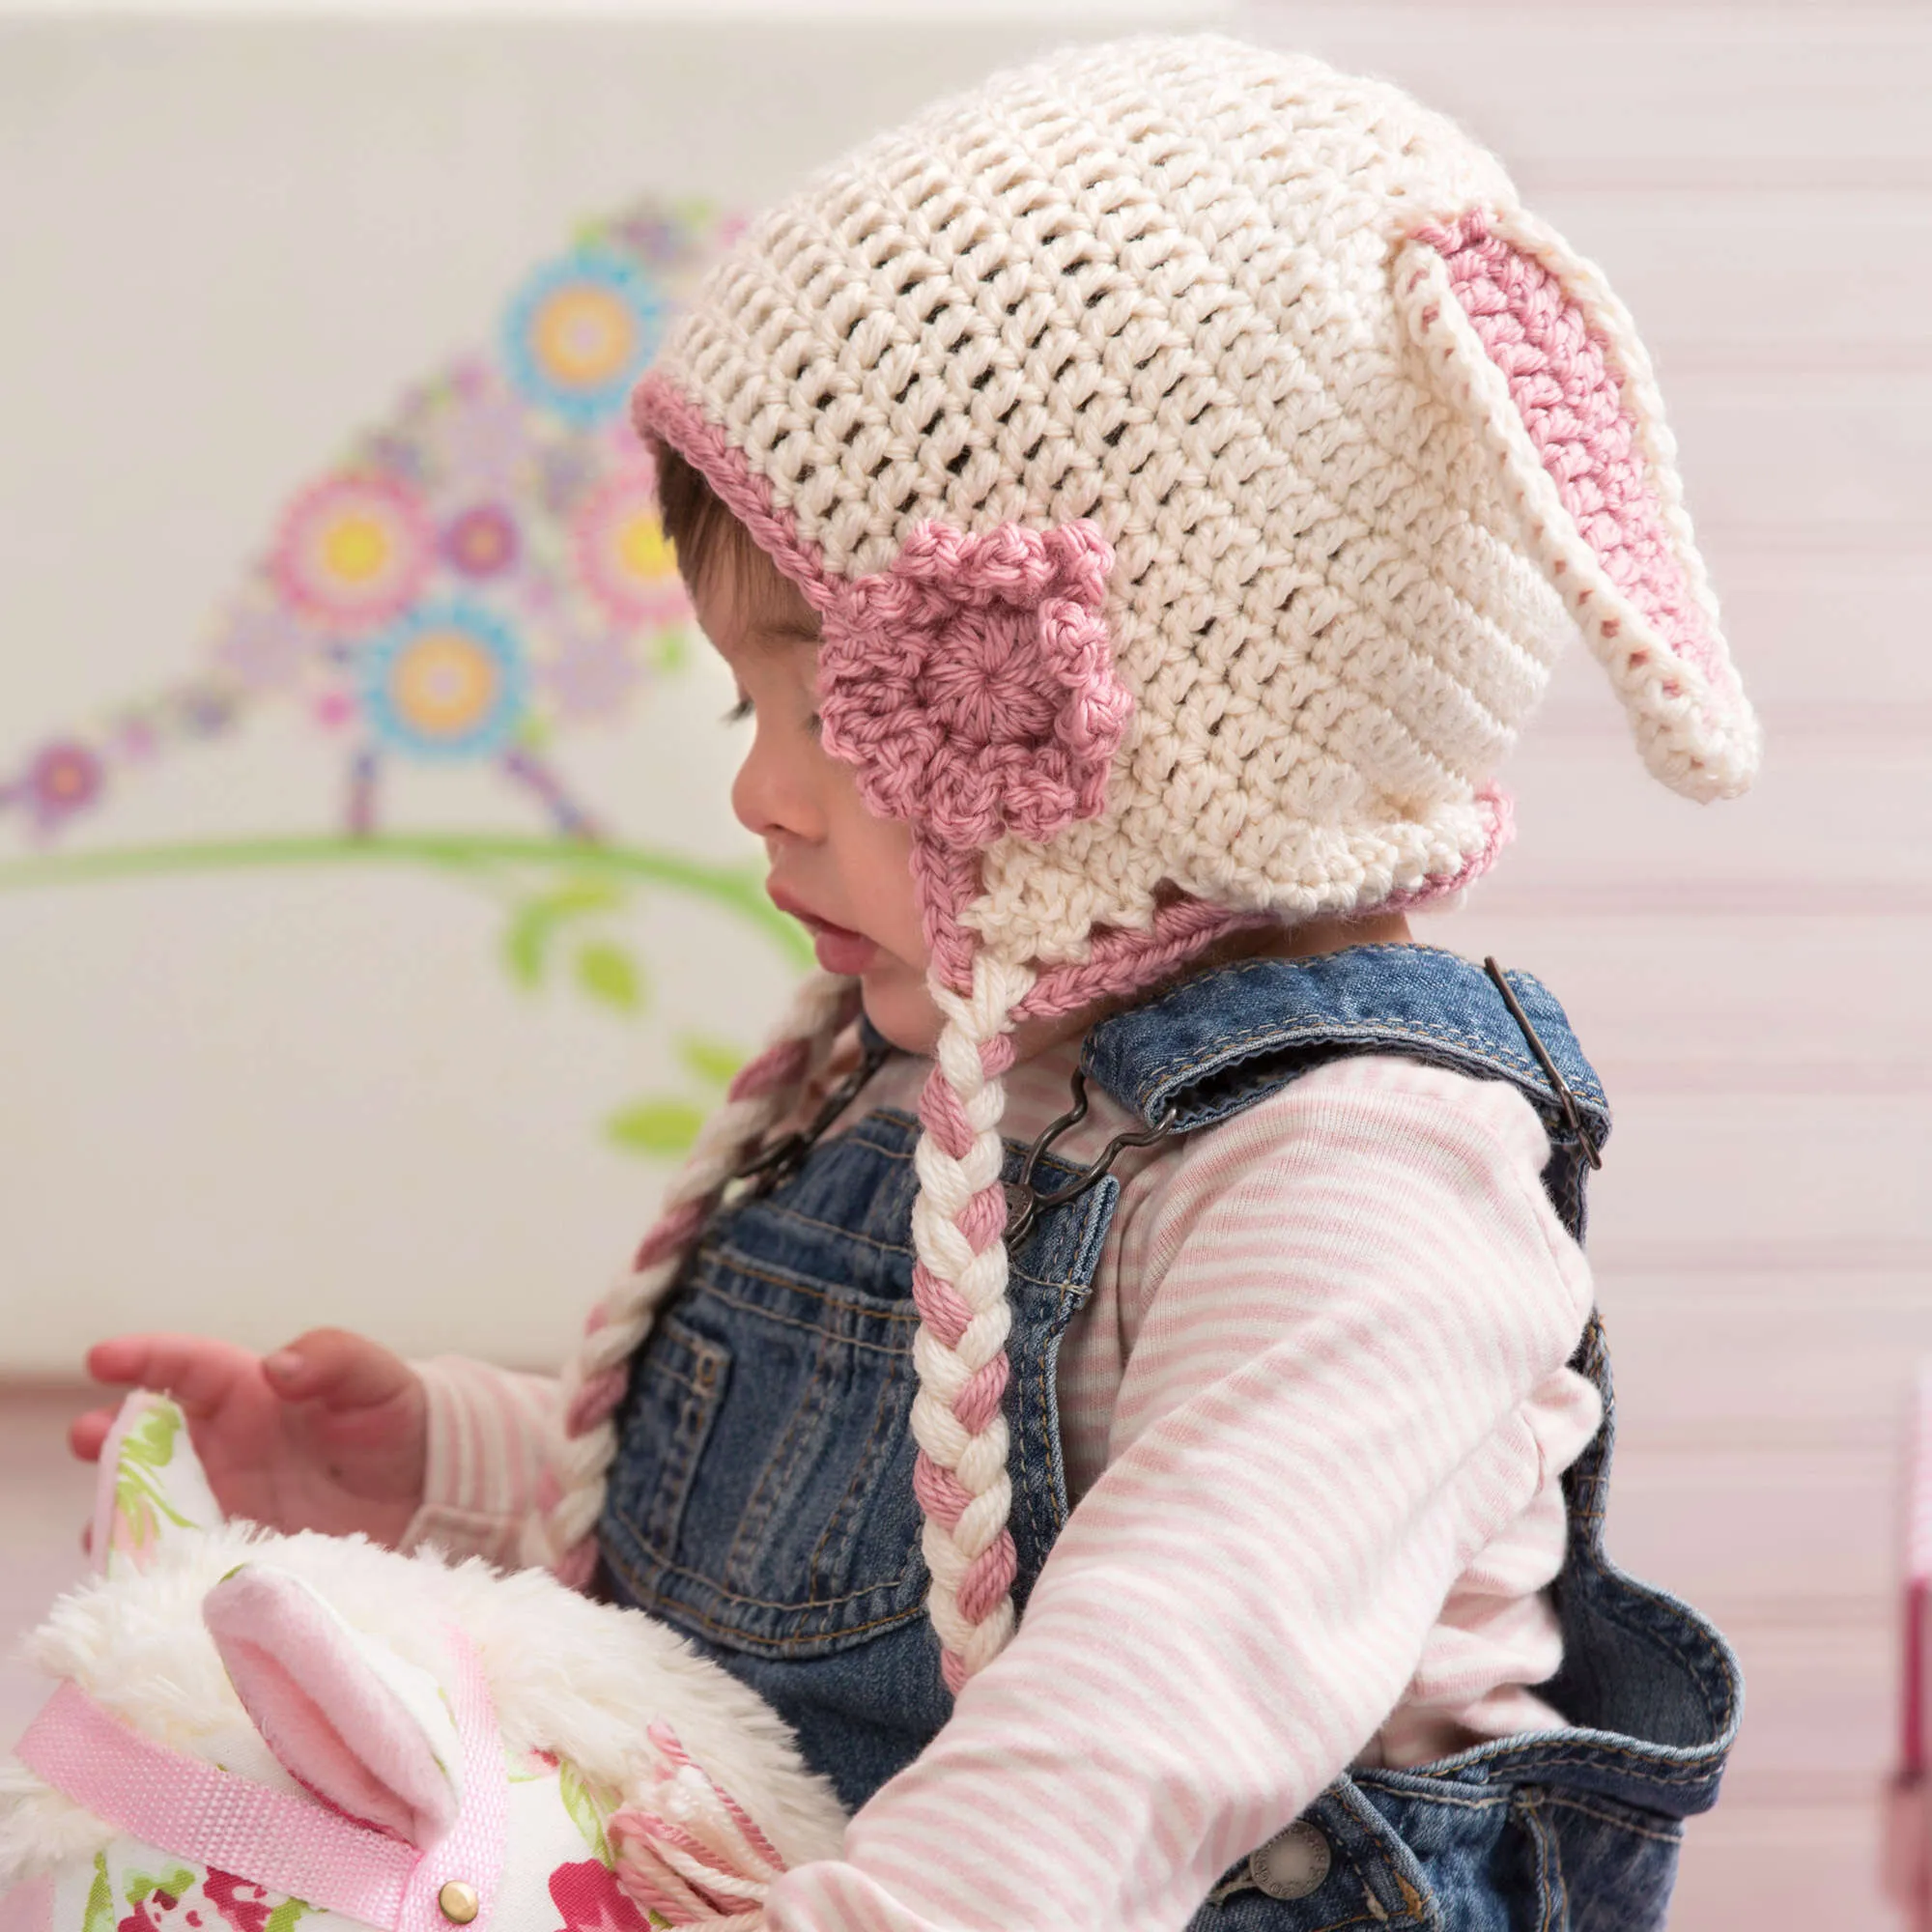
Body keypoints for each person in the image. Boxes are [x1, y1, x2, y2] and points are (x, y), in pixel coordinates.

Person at [72, 36, 1756, 1929]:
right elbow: (816, 1526)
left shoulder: (1359, 1179)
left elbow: (1158, 1685)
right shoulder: (958, 1084)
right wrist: (453, 1465)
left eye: (825, 706)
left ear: (1130, 733)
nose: (753, 791)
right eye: (743, 699)